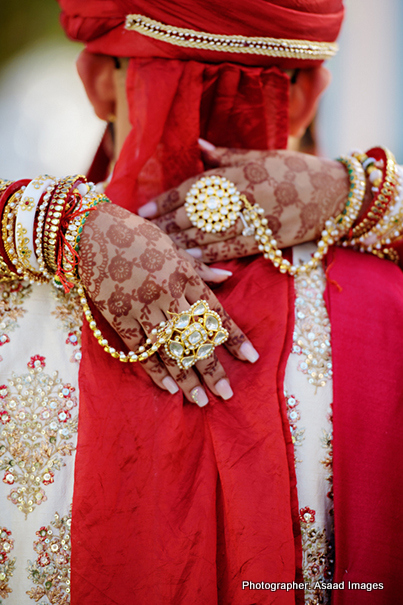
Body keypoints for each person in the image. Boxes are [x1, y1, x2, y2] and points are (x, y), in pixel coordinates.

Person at [1, 1, 402, 605]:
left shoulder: (16, 292)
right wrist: (369, 195)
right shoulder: (389, 314)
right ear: (310, 93)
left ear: (95, 83)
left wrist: (40, 223)